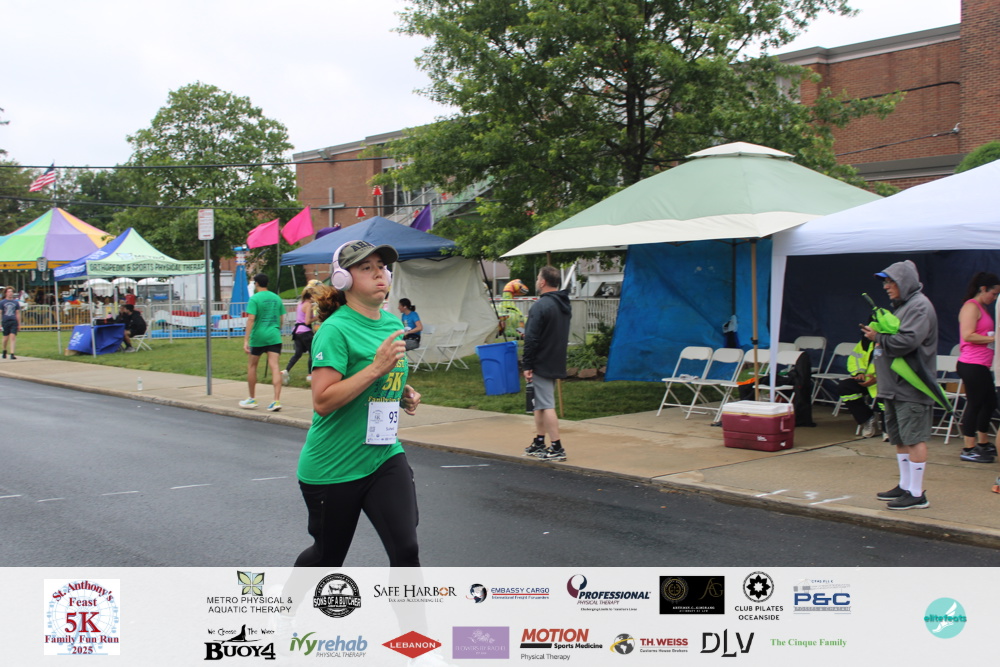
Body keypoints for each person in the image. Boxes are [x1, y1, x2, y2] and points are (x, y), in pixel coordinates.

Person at [294, 240, 422, 567]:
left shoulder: (392, 324)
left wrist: (401, 392)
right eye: (366, 268)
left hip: (384, 455)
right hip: (334, 465)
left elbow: (381, 375)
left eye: (382, 266)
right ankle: (289, 600)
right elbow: (323, 400)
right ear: (344, 279)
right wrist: (376, 369)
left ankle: (411, 607)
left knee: (406, 549)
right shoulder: (334, 330)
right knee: (327, 557)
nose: (379, 274)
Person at [861, 260, 938, 510]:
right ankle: (905, 486)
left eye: (890, 281)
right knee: (900, 438)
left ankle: (916, 493)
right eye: (885, 282)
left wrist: (878, 337)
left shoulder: (919, 306)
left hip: (911, 386)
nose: (886, 286)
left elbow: (908, 341)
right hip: (894, 387)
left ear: (904, 282)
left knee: (914, 438)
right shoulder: (904, 306)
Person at [522, 266, 572, 462]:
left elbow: (531, 338)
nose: (536, 281)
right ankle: (539, 441)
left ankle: (557, 446)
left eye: (538, 278)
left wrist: (527, 364)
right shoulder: (562, 304)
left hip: (541, 360)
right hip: (555, 358)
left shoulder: (540, 306)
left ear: (542, 282)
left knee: (546, 404)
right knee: (540, 404)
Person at [956, 272, 1000, 463]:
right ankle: (968, 447)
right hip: (971, 363)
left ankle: (982, 442)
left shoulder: (983, 308)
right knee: (974, 404)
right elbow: (968, 335)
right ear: (983, 289)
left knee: (990, 403)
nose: (995, 298)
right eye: (993, 293)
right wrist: (994, 338)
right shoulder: (971, 307)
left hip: (982, 364)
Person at [240, 273, 286, 412]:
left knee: (252, 366)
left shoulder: (254, 299)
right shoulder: (276, 298)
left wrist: (246, 339)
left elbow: (251, 319)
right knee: (275, 367)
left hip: (258, 336)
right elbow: (281, 318)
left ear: (256, 284)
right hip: (274, 335)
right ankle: (276, 400)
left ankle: (252, 398)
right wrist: (277, 329)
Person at [835, 336, 881, 437]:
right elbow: (854, 359)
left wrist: (878, 379)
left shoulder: (893, 341)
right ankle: (866, 418)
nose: (866, 333)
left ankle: (888, 430)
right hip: (866, 379)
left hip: (886, 381)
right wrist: (859, 373)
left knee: (887, 398)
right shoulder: (865, 342)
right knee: (845, 387)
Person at [281, 286, 317, 385]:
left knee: (298, 354)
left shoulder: (299, 304)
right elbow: (307, 321)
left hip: (297, 332)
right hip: (306, 332)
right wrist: (317, 317)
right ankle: (310, 374)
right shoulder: (308, 305)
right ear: (311, 296)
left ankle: (286, 370)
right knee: (312, 353)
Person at [1, 287, 21, 360]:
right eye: (9, 292)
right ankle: (4, 350)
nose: (10, 293)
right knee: (5, 338)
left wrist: (19, 324)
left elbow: (17, 313)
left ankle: (12, 353)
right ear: (6, 293)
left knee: (12, 337)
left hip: (13, 321)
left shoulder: (16, 302)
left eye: (11, 292)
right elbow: (0, 313)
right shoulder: (2, 302)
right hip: (5, 321)